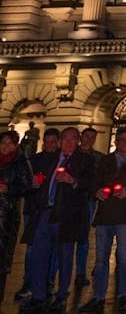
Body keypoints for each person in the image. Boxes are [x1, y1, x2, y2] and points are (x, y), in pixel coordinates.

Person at [78, 126, 126, 313]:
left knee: (124, 255)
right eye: (122, 139)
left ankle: (123, 295)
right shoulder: (107, 160)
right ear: (116, 141)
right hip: (105, 213)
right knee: (101, 257)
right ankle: (98, 296)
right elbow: (94, 182)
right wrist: (97, 191)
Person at [20, 127, 95, 313]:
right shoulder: (51, 158)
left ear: (78, 141)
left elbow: (92, 183)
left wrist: (74, 181)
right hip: (46, 211)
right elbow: (37, 178)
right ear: (60, 140)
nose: (68, 143)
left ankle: (62, 294)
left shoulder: (85, 160)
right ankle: (38, 294)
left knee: (64, 255)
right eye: (65, 139)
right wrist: (35, 184)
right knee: (39, 252)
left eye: (72, 139)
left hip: (68, 215)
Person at [15, 128, 61, 303]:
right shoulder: (34, 159)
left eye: (52, 142)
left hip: (52, 209)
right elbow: (24, 181)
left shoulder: (61, 159)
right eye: (46, 142)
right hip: (33, 208)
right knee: (32, 249)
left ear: (57, 141)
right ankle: (29, 283)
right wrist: (31, 183)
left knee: (53, 249)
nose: (49, 145)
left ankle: (48, 281)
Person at [0, 131, 31, 303]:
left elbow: (27, 186)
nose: (6, 146)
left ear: (16, 144)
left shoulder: (20, 161)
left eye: (10, 143)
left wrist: (8, 190)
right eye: (3, 142)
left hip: (6, 215)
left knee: (2, 257)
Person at [74, 127, 103, 289]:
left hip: (89, 200)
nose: (90, 139)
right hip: (70, 200)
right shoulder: (71, 153)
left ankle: (80, 272)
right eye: (87, 136)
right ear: (81, 137)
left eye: (93, 137)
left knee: (84, 238)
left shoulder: (99, 157)